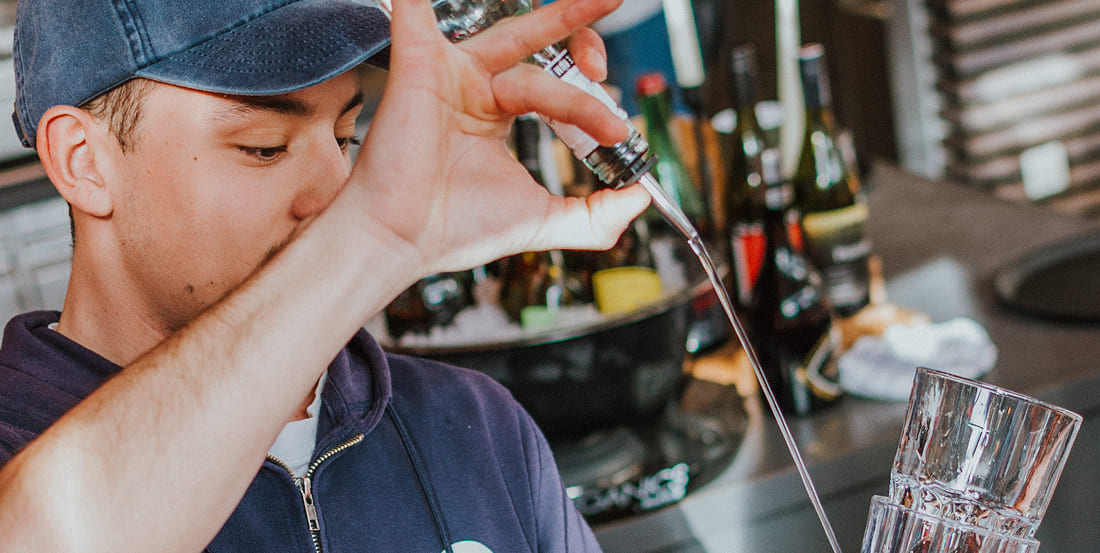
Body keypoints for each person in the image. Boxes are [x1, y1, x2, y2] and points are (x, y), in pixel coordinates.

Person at [0, 0, 651, 551]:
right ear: (83, 161)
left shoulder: (475, 425)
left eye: (346, 137)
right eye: (264, 146)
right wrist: (377, 240)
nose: (340, 194)